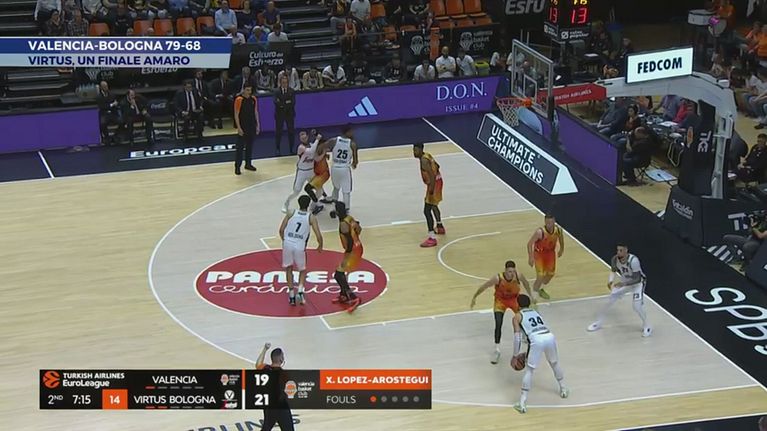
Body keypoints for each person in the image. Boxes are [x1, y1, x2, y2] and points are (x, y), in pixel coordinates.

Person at [511, 294, 569, 414]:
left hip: (536, 339)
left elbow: (517, 338)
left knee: (530, 370)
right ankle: (563, 388)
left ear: (518, 304)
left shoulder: (517, 316)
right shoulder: (535, 312)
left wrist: (515, 355)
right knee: (554, 363)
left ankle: (522, 403)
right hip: (549, 336)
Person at [470, 260, 533, 364]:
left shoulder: (518, 276)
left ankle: (526, 337)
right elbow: (484, 286)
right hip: (501, 301)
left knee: (523, 319)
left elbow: (526, 283)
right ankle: (496, 349)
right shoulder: (498, 278)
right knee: (498, 323)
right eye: (509, 271)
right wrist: (474, 297)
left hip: (514, 300)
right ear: (505, 270)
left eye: (513, 271)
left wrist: (531, 295)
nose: (511, 274)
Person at [587, 244, 652, 337]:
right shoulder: (615, 259)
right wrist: (610, 281)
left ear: (626, 250)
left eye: (621, 250)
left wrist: (623, 284)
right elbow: (613, 270)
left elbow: (637, 279)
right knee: (608, 301)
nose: (618, 252)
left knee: (637, 306)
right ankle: (598, 322)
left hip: (637, 285)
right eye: (617, 250)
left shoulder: (633, 261)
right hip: (624, 282)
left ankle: (647, 326)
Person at [279, 195, 323, 306]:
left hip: (288, 243)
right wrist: (320, 245)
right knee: (302, 270)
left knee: (289, 269)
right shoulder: (311, 217)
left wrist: (285, 240)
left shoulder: (291, 213)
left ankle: (291, 296)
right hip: (300, 245)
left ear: (298, 203)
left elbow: (281, 229)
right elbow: (318, 234)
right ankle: (300, 290)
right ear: (308, 204)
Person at [255, 343, 295, 431]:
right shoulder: (284, 374)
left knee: (266, 428)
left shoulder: (265, 368)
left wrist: (265, 349)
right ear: (281, 359)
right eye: (283, 356)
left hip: (268, 406)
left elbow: (258, 364)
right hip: (280, 407)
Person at [332, 201, 363, 312]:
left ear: (337, 211)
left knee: (338, 274)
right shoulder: (349, 218)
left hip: (352, 250)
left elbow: (349, 240)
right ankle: (343, 295)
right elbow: (359, 229)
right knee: (339, 273)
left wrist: (348, 252)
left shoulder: (343, 224)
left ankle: (354, 297)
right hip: (358, 246)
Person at [413, 143, 445, 247]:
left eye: (416, 150)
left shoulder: (424, 161)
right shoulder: (427, 155)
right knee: (433, 205)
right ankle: (440, 227)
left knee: (426, 211)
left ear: (421, 149)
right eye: (413, 150)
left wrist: (431, 189)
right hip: (438, 181)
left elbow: (431, 174)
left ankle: (432, 238)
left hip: (434, 184)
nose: (414, 152)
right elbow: (437, 166)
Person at [527, 214, 564, 301]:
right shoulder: (540, 232)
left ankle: (540, 288)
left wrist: (561, 249)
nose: (549, 225)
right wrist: (530, 257)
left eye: (550, 223)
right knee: (540, 275)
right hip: (539, 254)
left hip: (550, 254)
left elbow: (561, 239)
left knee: (550, 275)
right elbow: (529, 244)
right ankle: (533, 295)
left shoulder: (558, 230)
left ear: (554, 221)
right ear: (545, 222)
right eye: (547, 223)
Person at [283, 131, 321, 213]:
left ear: (307, 136)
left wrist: (324, 154)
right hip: (302, 172)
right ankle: (286, 204)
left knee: (319, 190)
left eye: (304, 135)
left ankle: (314, 204)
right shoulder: (301, 147)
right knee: (296, 191)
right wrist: (317, 139)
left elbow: (316, 157)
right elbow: (311, 151)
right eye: (301, 136)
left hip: (311, 171)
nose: (303, 137)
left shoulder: (312, 145)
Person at [327, 125, 358, 215]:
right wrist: (354, 164)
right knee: (346, 191)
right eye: (351, 131)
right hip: (344, 169)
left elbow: (322, 146)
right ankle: (346, 210)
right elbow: (355, 161)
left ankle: (334, 208)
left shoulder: (334, 140)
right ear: (347, 132)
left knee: (336, 188)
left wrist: (324, 154)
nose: (353, 133)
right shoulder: (352, 144)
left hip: (334, 168)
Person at [233, 84, 260, 175]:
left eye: (250, 90)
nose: (249, 92)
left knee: (249, 147)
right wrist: (239, 127)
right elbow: (236, 114)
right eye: (247, 90)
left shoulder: (253, 99)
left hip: (251, 126)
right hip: (243, 126)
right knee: (240, 148)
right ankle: (237, 166)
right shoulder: (239, 99)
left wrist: (258, 125)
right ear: (243, 90)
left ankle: (248, 164)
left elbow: (256, 112)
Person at [304, 131, 333, 215]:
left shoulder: (320, 150)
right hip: (318, 173)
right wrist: (324, 154)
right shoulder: (317, 149)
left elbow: (317, 159)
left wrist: (324, 153)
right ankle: (324, 198)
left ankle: (318, 204)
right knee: (318, 188)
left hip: (323, 174)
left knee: (308, 188)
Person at [274, 75, 296, 155]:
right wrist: (286, 103)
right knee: (278, 132)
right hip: (279, 114)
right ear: (280, 83)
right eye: (283, 82)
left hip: (289, 114)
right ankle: (277, 149)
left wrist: (282, 103)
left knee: (291, 132)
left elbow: (293, 102)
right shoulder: (276, 91)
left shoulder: (291, 91)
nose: (284, 84)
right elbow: (276, 102)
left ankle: (291, 149)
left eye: (286, 82)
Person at [96, 81, 122, 145]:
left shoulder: (112, 94)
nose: (106, 88)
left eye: (107, 86)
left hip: (112, 113)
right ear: (101, 87)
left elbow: (115, 103)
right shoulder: (99, 97)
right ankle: (107, 138)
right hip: (104, 114)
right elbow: (102, 106)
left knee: (122, 121)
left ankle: (115, 135)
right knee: (102, 123)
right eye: (104, 86)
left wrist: (115, 104)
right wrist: (111, 105)